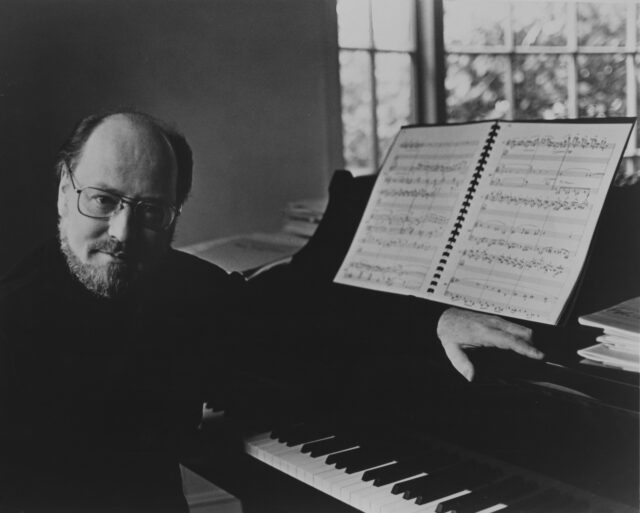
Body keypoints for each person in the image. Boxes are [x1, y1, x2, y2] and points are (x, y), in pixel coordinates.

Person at [0, 111, 543, 512]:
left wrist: (434, 321)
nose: (122, 232)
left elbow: (293, 319)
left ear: (173, 215)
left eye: (149, 211)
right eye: (101, 200)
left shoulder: (177, 287)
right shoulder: (15, 323)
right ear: (62, 191)